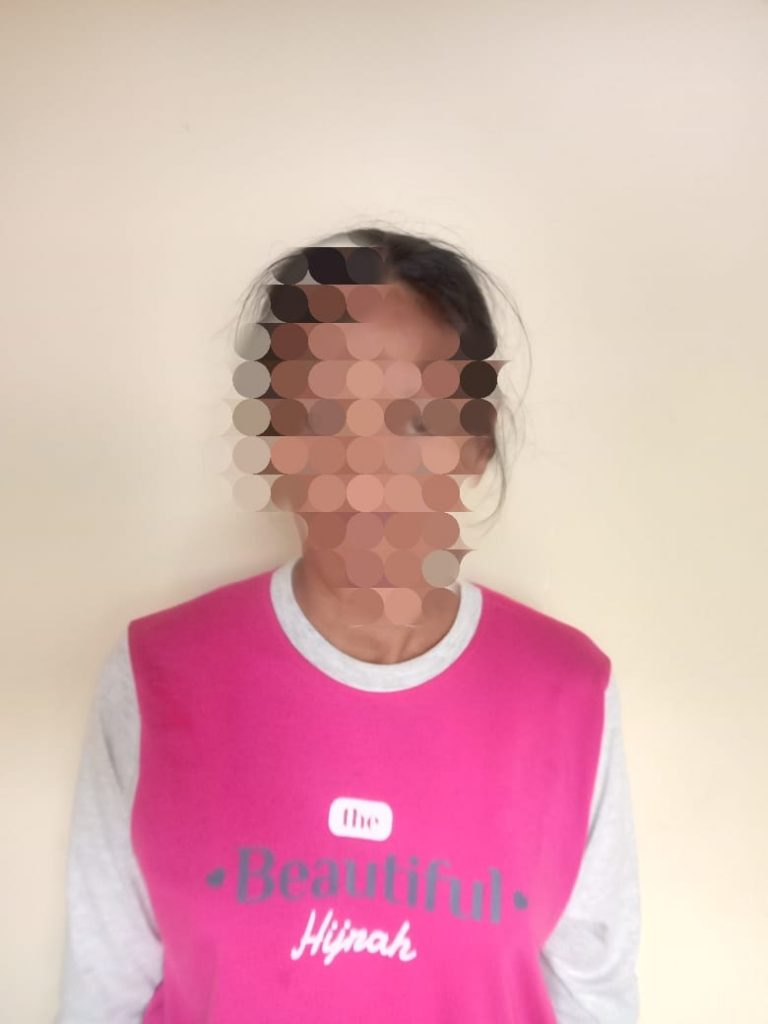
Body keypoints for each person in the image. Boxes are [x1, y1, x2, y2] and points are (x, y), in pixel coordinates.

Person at [55, 227, 640, 1023]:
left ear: (474, 443)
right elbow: (103, 994)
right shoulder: (158, 675)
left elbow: (596, 999)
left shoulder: (565, 693)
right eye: (326, 414)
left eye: (416, 421)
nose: (366, 469)